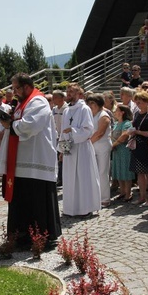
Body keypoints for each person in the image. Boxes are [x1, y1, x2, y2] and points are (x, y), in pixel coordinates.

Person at [0, 73, 61, 248]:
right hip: (22, 161)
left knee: (37, 200)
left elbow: (30, 126)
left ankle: (41, 236)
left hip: (36, 161)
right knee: (22, 200)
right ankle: (22, 235)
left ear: (27, 87)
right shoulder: (22, 103)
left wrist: (10, 125)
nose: (14, 92)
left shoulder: (38, 102)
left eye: (16, 88)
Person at [59, 83, 101, 217]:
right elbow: (62, 131)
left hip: (82, 148)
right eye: (67, 91)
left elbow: (88, 130)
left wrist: (73, 131)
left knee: (83, 178)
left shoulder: (84, 109)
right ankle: (70, 209)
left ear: (79, 94)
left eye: (71, 91)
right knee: (70, 178)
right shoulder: (66, 110)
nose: (68, 94)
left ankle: (85, 209)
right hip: (70, 149)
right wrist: (62, 150)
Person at [129, 91, 148, 206]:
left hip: (147, 146)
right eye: (136, 103)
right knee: (139, 173)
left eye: (140, 102)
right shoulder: (137, 113)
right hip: (137, 145)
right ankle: (142, 197)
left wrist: (138, 132)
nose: (138, 105)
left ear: (146, 102)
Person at [87, 93, 112, 207]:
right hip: (93, 145)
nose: (90, 105)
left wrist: (88, 143)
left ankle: (105, 198)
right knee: (94, 171)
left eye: (93, 103)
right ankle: (96, 196)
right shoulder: (92, 114)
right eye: (89, 103)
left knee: (102, 172)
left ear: (99, 104)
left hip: (102, 146)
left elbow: (100, 133)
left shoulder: (104, 116)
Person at [110, 105, 135, 201]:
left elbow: (124, 135)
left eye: (116, 110)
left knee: (125, 171)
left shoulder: (127, 123)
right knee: (118, 170)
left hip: (124, 149)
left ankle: (128, 193)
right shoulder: (116, 123)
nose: (115, 112)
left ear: (122, 112)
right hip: (116, 150)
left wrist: (114, 144)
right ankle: (122, 191)